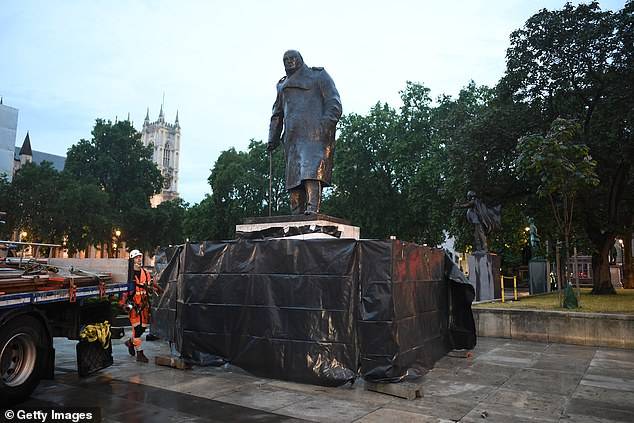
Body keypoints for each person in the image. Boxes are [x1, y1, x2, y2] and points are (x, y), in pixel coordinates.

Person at [268, 50, 342, 215]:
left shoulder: (319, 76)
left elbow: (333, 102)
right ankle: (296, 213)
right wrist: (272, 138)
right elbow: (277, 114)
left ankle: (312, 209)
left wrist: (325, 126)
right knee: (294, 178)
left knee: (311, 172)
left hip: (315, 135)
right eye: (285, 60)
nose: (289, 62)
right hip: (292, 137)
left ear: (300, 59)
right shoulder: (282, 85)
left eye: (292, 58)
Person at [120, 249, 158, 363]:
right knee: (136, 329)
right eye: (137, 257)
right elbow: (124, 290)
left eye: (140, 257)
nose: (139, 259)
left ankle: (130, 343)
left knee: (143, 328)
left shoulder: (145, 273)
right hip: (134, 306)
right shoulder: (128, 274)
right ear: (132, 259)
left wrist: (157, 289)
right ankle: (140, 353)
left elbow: (151, 284)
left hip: (144, 305)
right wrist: (123, 303)